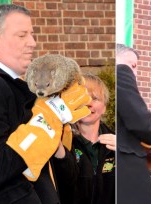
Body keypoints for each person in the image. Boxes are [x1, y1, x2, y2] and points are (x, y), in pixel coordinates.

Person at [0, 4, 91, 204]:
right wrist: (47, 120)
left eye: (32, 34)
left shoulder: (26, 92)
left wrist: (58, 134)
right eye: (22, 35)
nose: (32, 42)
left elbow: (64, 179)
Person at [54, 73, 116, 204]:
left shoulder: (117, 143)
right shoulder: (62, 140)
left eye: (95, 98)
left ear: (104, 107)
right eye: (82, 97)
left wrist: (126, 155)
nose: (88, 103)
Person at [117, 44, 151, 204]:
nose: (134, 73)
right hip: (128, 174)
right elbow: (141, 123)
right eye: (133, 65)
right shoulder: (121, 72)